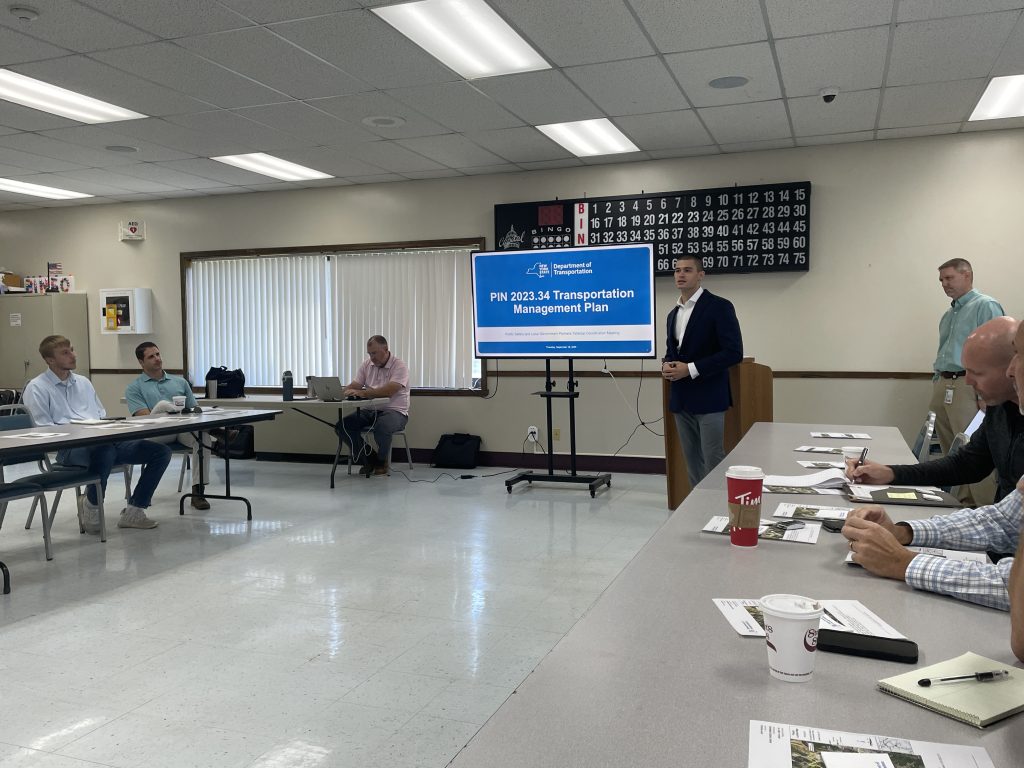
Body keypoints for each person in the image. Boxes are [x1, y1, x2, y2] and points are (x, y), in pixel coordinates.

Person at [842, 320, 1024, 612]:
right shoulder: (1000, 409)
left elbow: (1015, 585)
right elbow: (1003, 520)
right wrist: (903, 532)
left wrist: (904, 563)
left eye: (1019, 357)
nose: (1012, 370)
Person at [850, 317, 1022, 506]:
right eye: (967, 371)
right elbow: (967, 464)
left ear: (1013, 368)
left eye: (977, 373)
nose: (968, 381)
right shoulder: (999, 407)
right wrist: (891, 473)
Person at [21, 335, 171, 532]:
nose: (73, 355)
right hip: (69, 449)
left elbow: (101, 414)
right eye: (65, 353)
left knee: (160, 452)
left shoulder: (83, 382)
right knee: (105, 450)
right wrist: (81, 431)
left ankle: (135, 511)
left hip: (101, 439)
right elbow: (42, 429)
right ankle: (92, 505)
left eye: (72, 350)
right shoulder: (37, 387)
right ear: (50, 360)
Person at [661, 255, 743, 488]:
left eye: (687, 270)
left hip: (710, 396)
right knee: (692, 461)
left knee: (713, 457)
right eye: (677, 270)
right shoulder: (673, 314)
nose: (680, 274)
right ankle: (698, 505)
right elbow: (672, 351)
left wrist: (690, 369)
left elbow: (733, 352)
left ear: (700, 275)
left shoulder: (719, 306)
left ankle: (718, 506)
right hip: (681, 397)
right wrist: (667, 364)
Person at [125, 341, 210, 510]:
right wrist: (169, 410)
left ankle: (198, 492)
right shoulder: (134, 388)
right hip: (155, 433)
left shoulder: (180, 382)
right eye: (151, 356)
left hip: (181, 429)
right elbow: (145, 418)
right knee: (164, 404)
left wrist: (183, 414)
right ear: (141, 362)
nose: (157, 359)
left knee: (203, 437)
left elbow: (194, 410)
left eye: (158, 354)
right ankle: (217, 431)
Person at [930, 258, 1003, 455]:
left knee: (971, 450)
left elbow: (995, 352)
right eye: (941, 280)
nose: (944, 284)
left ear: (967, 275)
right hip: (944, 383)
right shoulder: (948, 315)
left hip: (967, 385)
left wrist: (985, 394)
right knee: (949, 453)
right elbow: (943, 350)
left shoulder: (985, 306)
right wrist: (937, 381)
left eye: (949, 278)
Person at [335, 335, 409, 476]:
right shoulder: (367, 365)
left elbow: (389, 391)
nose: (372, 358)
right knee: (342, 426)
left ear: (386, 349)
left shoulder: (399, 366)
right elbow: (356, 385)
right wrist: (338, 394)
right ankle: (369, 459)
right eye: (369, 354)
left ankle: (381, 461)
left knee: (382, 426)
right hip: (370, 410)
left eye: (374, 353)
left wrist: (364, 393)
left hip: (395, 411)